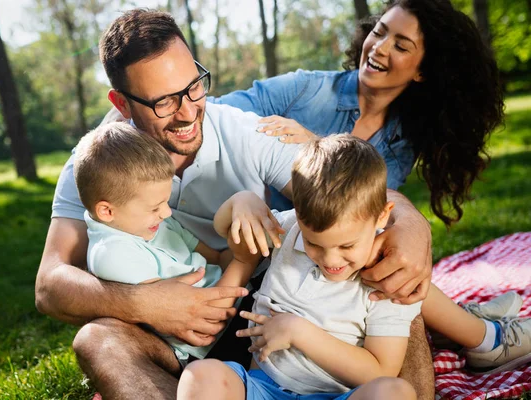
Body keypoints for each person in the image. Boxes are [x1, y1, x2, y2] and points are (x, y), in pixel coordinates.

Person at [34, 9, 434, 400]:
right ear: (122, 104)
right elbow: (50, 285)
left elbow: (343, 191)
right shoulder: (96, 162)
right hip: (176, 341)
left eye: (193, 87)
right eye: (163, 103)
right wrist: (149, 305)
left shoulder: (240, 130)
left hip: (264, 312)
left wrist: (412, 222)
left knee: (392, 283)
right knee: (96, 340)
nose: (189, 112)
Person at [177, 135, 530, 400]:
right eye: (315, 244)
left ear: (381, 219)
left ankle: (478, 331)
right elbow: (228, 232)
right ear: (299, 217)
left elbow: (379, 369)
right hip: (263, 388)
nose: (331, 260)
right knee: (200, 377)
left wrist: (299, 332)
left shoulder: (386, 281)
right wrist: (242, 202)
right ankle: (475, 326)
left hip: (338, 395)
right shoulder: (287, 232)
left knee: (394, 392)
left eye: (347, 246)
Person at [212, 0, 505, 225]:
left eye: (401, 46)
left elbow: (361, 211)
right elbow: (215, 112)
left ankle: (465, 309)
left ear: (422, 72)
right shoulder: (307, 90)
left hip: (332, 257)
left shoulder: (400, 143)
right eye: (379, 32)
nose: (379, 48)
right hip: (252, 237)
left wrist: (317, 148)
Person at [73, 121, 263, 366]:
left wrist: (248, 246)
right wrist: (244, 261)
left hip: (235, 296)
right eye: (155, 207)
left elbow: (216, 258)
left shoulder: (151, 222)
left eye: (166, 201)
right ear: (107, 211)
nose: (167, 213)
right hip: (213, 343)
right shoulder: (113, 254)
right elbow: (205, 322)